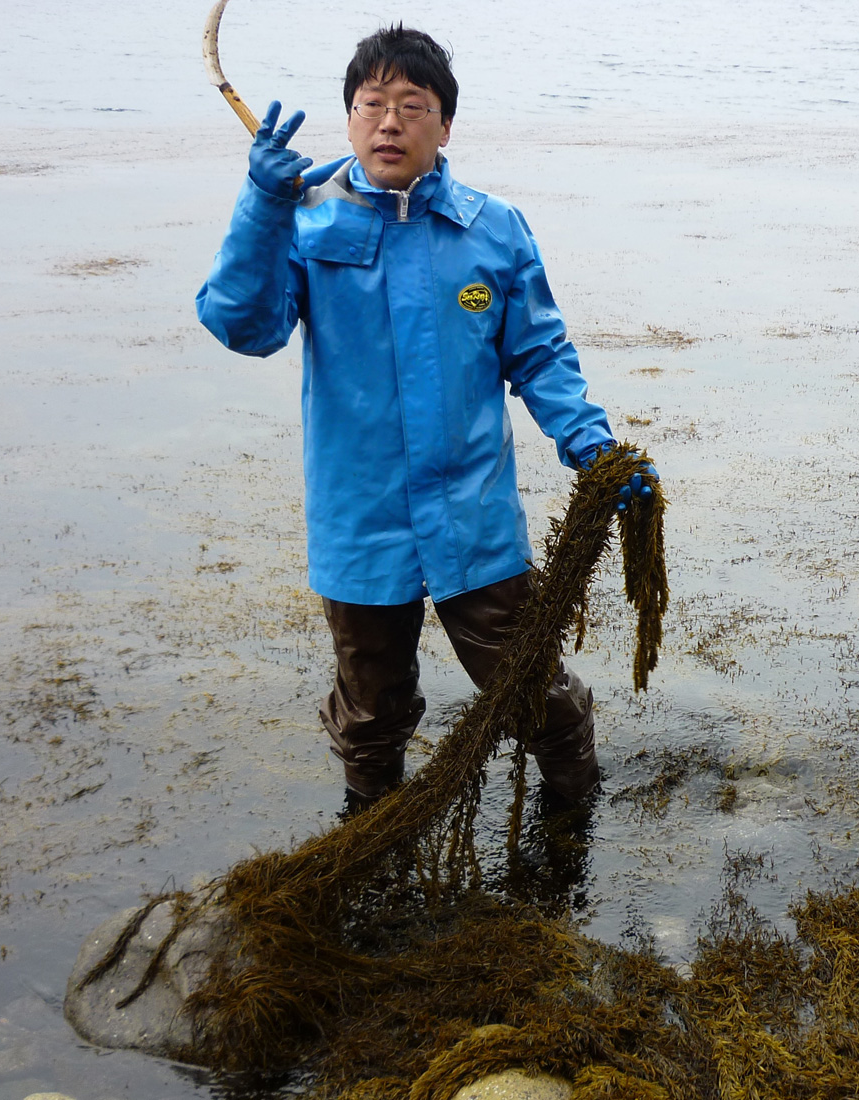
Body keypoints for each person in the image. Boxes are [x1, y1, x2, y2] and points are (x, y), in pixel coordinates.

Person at [196, 26, 658, 806]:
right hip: (358, 523)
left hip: (473, 520)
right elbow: (244, 327)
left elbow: (540, 355)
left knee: (536, 697)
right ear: (347, 120)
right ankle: (373, 854)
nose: (389, 123)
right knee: (371, 716)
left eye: (413, 106)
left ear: (445, 126)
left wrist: (589, 441)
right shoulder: (305, 221)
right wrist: (261, 207)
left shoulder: (492, 229)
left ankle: (572, 837)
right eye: (370, 104)